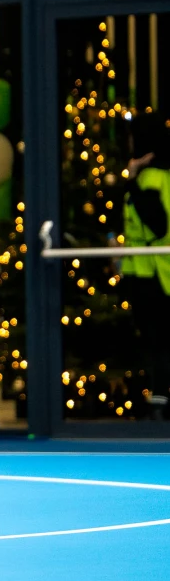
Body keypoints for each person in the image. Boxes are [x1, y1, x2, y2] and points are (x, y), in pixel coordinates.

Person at [122, 112, 170, 421]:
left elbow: (156, 223)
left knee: (157, 340)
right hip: (147, 270)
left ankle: (159, 403)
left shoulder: (152, 178)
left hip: (154, 272)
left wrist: (132, 180)